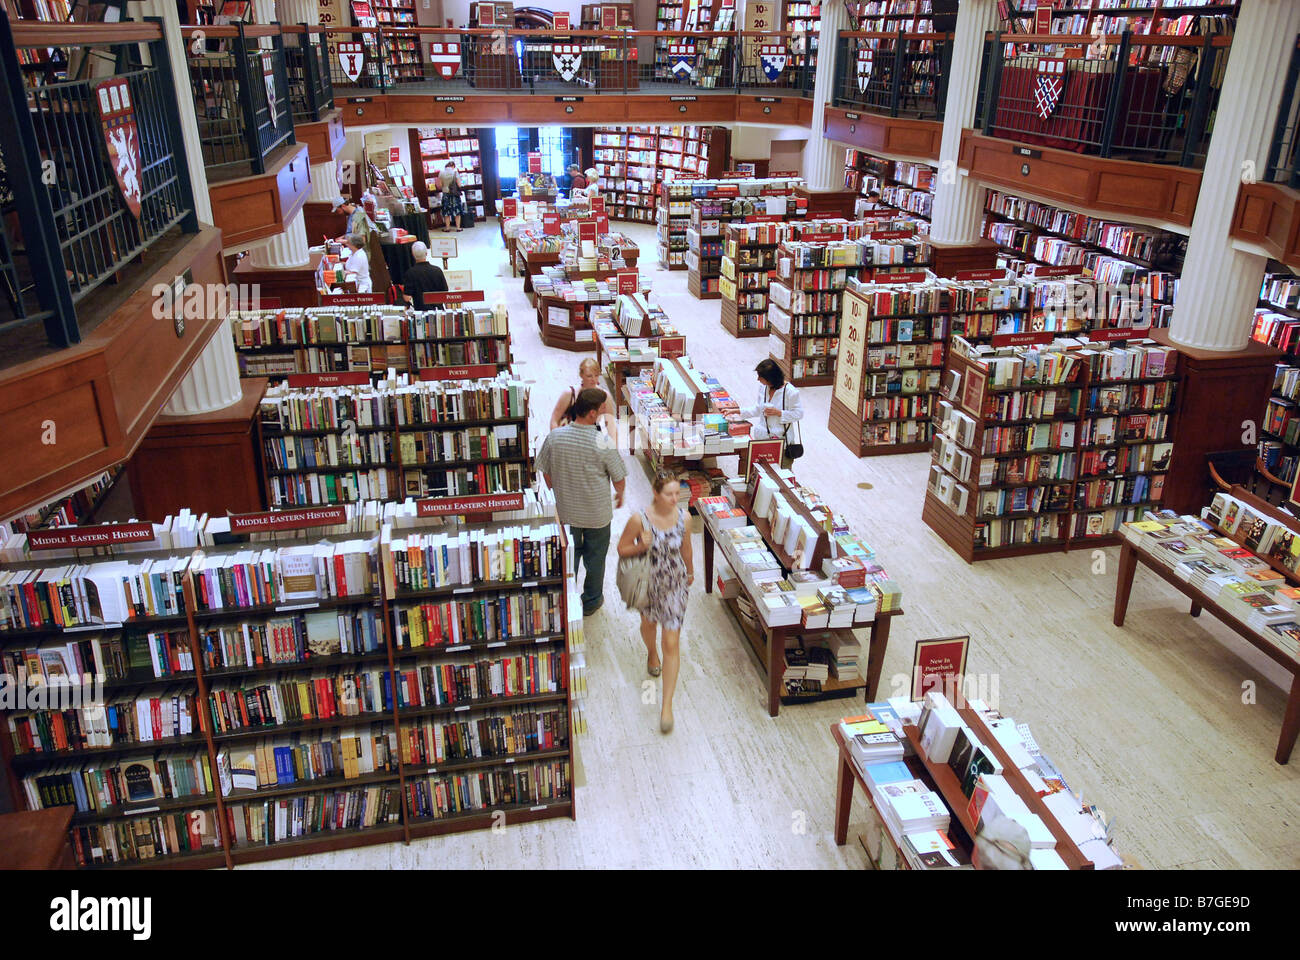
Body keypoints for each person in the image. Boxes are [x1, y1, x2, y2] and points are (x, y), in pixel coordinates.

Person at [536, 388, 628, 617]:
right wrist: (621, 495)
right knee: (595, 559)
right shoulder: (603, 441)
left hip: (566, 513)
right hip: (597, 515)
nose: (604, 415)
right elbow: (618, 478)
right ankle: (591, 600)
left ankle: (567, 599)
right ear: (590, 413)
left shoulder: (555, 437)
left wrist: (558, 489)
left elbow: (546, 474)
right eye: (602, 411)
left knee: (569, 558)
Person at [616, 469, 693, 734]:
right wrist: (640, 546)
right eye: (669, 494)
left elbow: (686, 549)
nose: (675, 498)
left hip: (675, 585)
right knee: (649, 627)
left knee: (671, 641)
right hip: (648, 585)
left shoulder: (685, 517)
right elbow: (622, 548)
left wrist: (691, 573)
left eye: (677, 493)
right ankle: (651, 652)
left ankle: (666, 706)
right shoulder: (640, 519)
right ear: (656, 493)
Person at [739, 358, 804, 470]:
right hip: (762, 440)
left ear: (770, 378)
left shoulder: (791, 392)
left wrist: (779, 413)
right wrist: (738, 411)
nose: (758, 379)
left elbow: (799, 414)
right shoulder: (763, 387)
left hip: (781, 443)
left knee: (782, 475)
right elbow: (758, 409)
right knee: (761, 474)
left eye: (760, 376)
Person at [549, 357, 616, 435]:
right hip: (570, 438)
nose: (594, 379)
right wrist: (555, 439)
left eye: (596, 375)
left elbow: (610, 425)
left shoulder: (605, 396)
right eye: (589, 376)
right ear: (581, 375)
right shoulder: (569, 394)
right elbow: (554, 419)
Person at [401, 240, 448, 307]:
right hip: (438, 311)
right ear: (426, 253)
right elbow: (445, 293)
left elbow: (407, 298)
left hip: (420, 312)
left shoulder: (410, 273)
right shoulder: (437, 270)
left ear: (413, 255)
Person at [438, 161, 464, 232]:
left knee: (446, 212)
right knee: (457, 211)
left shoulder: (441, 173)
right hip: (454, 195)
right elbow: (459, 185)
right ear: (453, 166)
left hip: (445, 194)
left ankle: (447, 228)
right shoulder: (455, 173)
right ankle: (458, 228)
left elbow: (439, 185)